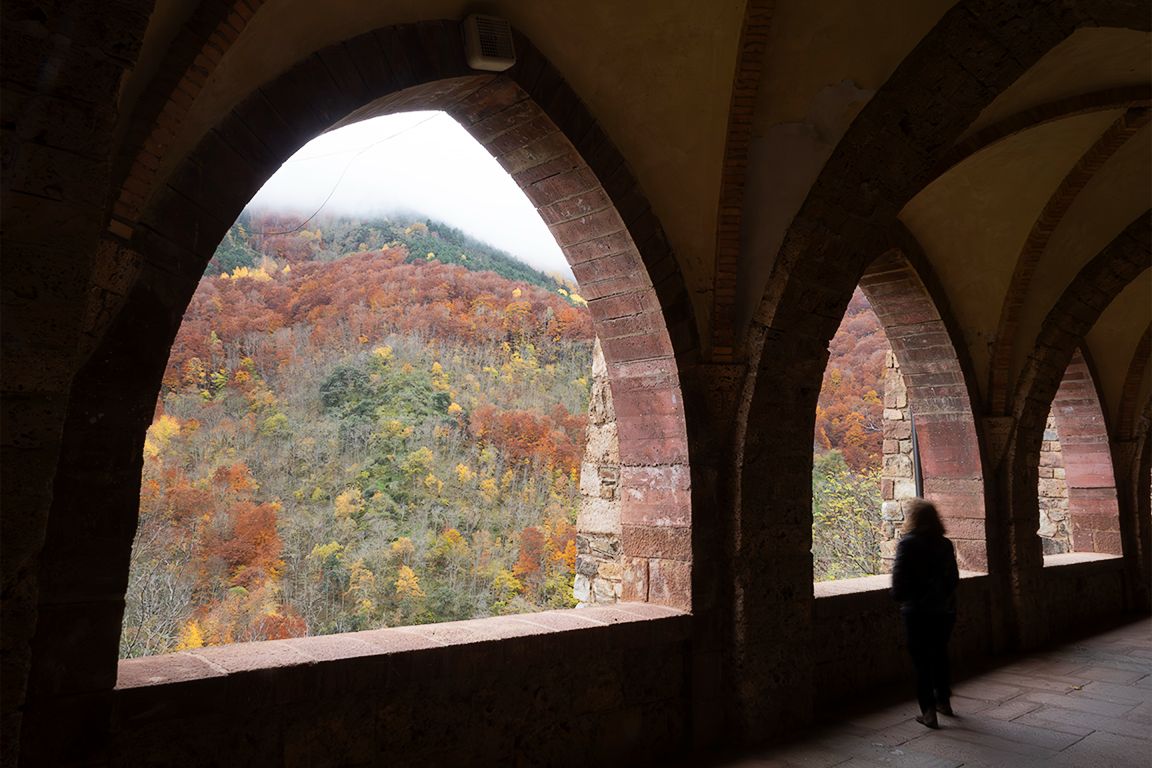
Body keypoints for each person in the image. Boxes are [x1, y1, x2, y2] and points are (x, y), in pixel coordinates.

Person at [891, 497, 959, 729]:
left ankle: (928, 711)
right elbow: (953, 579)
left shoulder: (908, 544)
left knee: (921, 662)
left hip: (917, 612)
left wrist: (904, 597)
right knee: (940, 655)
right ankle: (944, 702)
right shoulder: (945, 544)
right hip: (943, 611)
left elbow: (899, 583)